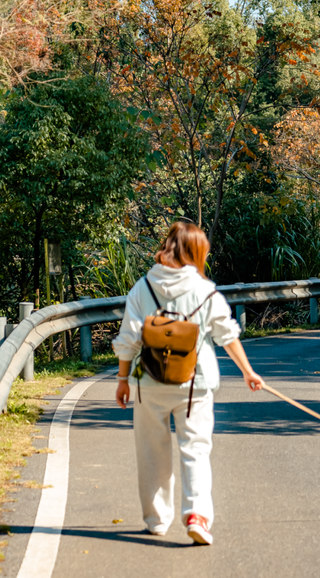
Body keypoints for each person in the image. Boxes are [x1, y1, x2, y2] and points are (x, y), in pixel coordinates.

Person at [113, 221, 263, 545]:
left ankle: (156, 520)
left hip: (148, 382)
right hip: (196, 382)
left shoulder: (143, 286)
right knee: (195, 449)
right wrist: (248, 372)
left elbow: (128, 338)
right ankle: (196, 516)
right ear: (196, 252)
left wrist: (123, 379)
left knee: (151, 452)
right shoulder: (204, 290)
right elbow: (227, 335)